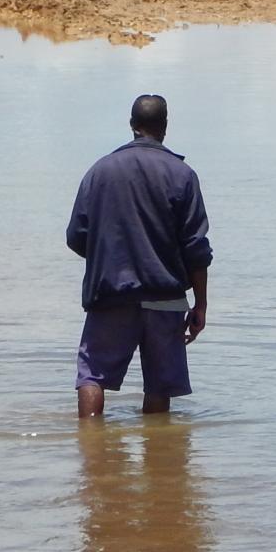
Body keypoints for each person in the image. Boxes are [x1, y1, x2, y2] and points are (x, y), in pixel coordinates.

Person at [67, 94, 211, 419]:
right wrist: (200, 304)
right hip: (166, 299)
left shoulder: (99, 171)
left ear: (132, 126)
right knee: (159, 385)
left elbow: (76, 236)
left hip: (111, 295)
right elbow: (196, 247)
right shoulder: (182, 175)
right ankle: (160, 463)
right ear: (165, 127)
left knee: (92, 375)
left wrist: (108, 260)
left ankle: (92, 453)